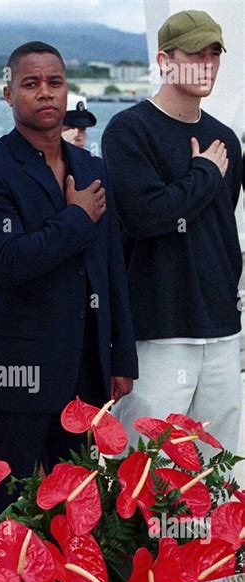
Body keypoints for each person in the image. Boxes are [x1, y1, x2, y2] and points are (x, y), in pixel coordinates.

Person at [0, 41, 138, 528]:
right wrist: (77, 217)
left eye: (55, 83)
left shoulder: (93, 168)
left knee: (74, 500)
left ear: (67, 91)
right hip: (16, 371)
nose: (45, 93)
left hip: (85, 368)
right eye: (31, 83)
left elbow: (111, 268)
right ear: (8, 93)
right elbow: (8, 261)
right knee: (4, 502)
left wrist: (119, 359)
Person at [102, 10, 242, 456]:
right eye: (194, 53)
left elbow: (218, 227)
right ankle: (151, 532)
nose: (207, 63)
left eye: (214, 53)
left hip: (221, 327)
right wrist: (203, 174)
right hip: (158, 327)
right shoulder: (129, 130)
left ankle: (203, 533)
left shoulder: (226, 140)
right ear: (164, 60)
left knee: (214, 465)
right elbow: (144, 216)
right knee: (146, 466)